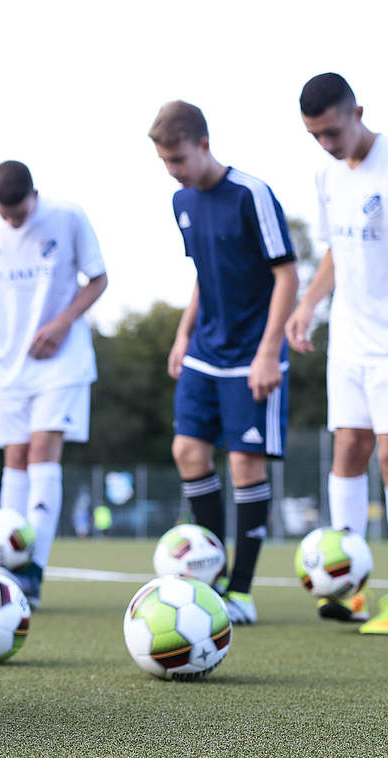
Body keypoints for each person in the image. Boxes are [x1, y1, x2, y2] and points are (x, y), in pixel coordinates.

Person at [287, 73, 388, 637]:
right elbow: (335, 249)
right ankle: (351, 591)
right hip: (350, 343)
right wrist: (308, 303)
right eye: (316, 136)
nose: (328, 144)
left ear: (358, 111)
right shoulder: (326, 174)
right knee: (348, 449)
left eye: (333, 131)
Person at [148, 101, 298, 626]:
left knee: (244, 463)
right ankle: (211, 577)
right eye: (165, 162)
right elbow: (202, 273)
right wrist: (182, 333)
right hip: (204, 351)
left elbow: (286, 274)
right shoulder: (180, 201)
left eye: (179, 159)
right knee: (188, 450)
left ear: (204, 144)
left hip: (253, 353)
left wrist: (267, 352)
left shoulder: (252, 195)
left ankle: (242, 590)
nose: (173, 170)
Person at [0, 160, 108, 607]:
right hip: (8, 366)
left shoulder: (67, 216)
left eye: (19, 213)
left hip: (62, 362)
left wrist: (62, 324)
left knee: (42, 450)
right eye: (4, 214)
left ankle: (33, 570)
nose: (12, 222)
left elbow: (99, 278)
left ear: (33, 195)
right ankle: (7, 568)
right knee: (14, 458)